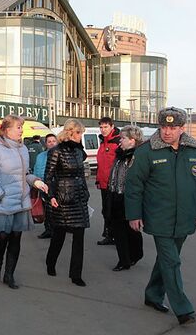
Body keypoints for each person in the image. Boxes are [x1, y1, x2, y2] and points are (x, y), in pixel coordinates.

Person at [125, 107, 196, 325]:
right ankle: (183, 309)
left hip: (185, 217)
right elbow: (134, 185)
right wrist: (134, 215)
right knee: (172, 261)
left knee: (166, 260)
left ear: (182, 128)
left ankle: (153, 295)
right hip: (158, 217)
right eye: (163, 126)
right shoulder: (146, 152)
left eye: (173, 127)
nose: (167, 132)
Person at [0, 115, 48, 289]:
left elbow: (26, 174)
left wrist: (36, 181)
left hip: (21, 201)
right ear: (7, 130)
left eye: (21, 127)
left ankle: (9, 275)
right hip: (2, 201)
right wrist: (0, 194)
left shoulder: (23, 149)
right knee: (2, 236)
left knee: (16, 238)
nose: (21, 130)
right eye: (18, 127)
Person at [44, 119, 90, 287]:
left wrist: (85, 193)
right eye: (79, 133)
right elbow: (48, 177)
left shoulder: (79, 151)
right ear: (70, 132)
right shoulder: (56, 151)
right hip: (62, 199)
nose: (81, 136)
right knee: (59, 235)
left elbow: (81, 173)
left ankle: (76, 274)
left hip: (78, 198)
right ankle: (50, 262)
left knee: (79, 237)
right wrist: (51, 196)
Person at [107, 125, 144, 272]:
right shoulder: (119, 155)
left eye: (123, 138)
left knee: (132, 230)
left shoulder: (138, 157)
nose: (119, 141)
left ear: (133, 141)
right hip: (115, 196)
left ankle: (135, 255)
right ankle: (124, 260)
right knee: (118, 231)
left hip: (130, 198)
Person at [96, 117, 120, 246]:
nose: (103, 130)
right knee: (106, 210)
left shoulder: (117, 142)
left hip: (114, 184)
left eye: (105, 127)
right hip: (104, 183)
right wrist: (98, 180)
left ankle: (116, 235)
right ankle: (109, 234)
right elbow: (101, 164)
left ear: (112, 126)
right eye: (101, 127)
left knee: (113, 211)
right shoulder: (103, 142)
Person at [33, 133, 58, 239]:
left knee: (56, 209)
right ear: (46, 144)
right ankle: (48, 229)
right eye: (49, 141)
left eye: (53, 141)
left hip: (57, 186)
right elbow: (37, 169)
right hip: (44, 185)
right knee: (46, 209)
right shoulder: (41, 156)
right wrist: (38, 183)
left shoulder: (60, 154)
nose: (52, 143)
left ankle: (58, 230)